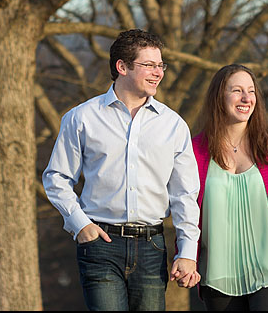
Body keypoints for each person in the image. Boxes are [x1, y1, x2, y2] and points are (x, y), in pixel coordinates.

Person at [43, 29, 201, 311]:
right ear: (122, 67)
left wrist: (188, 252)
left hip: (152, 247)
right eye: (149, 65)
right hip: (100, 244)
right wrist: (80, 225)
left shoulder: (173, 125)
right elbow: (57, 178)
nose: (158, 73)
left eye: (160, 65)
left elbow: (185, 195)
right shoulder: (82, 118)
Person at [192, 64, 268, 311]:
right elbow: (187, 212)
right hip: (217, 278)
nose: (246, 98)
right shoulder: (196, 151)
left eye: (251, 91)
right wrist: (187, 259)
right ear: (218, 98)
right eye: (237, 90)